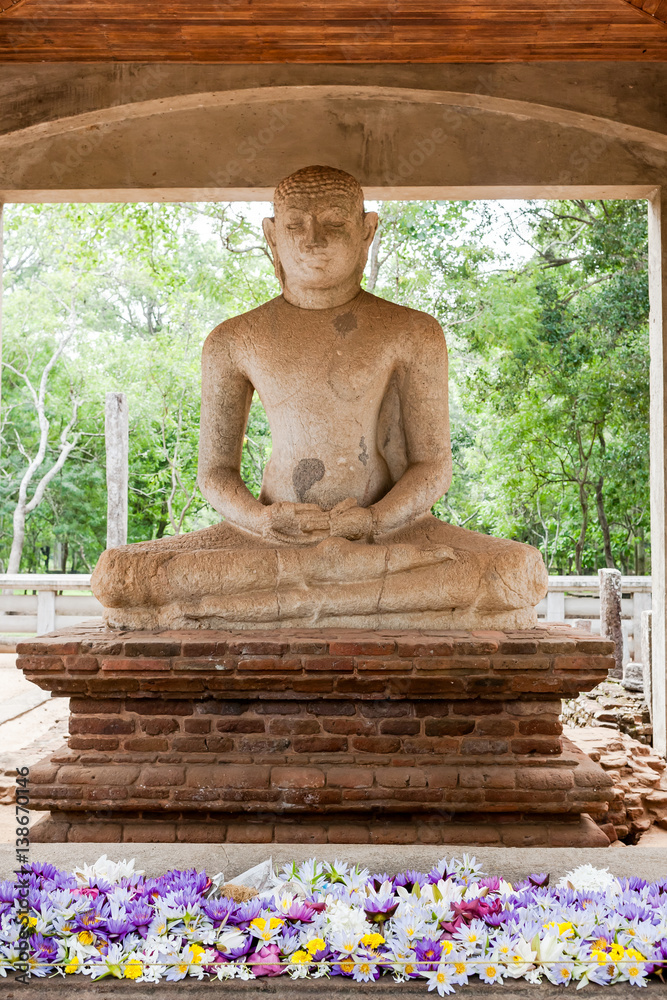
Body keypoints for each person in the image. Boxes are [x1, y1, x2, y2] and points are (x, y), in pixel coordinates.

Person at [92, 165, 547, 630]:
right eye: (295, 226)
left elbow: (433, 466)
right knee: (117, 575)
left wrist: (375, 521)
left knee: (516, 572)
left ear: (366, 232)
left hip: (387, 537)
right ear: (272, 236)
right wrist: (263, 520)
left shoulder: (412, 332)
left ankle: (264, 604)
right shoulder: (233, 340)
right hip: (270, 543)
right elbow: (214, 473)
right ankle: (351, 594)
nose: (312, 240)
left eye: (333, 224)